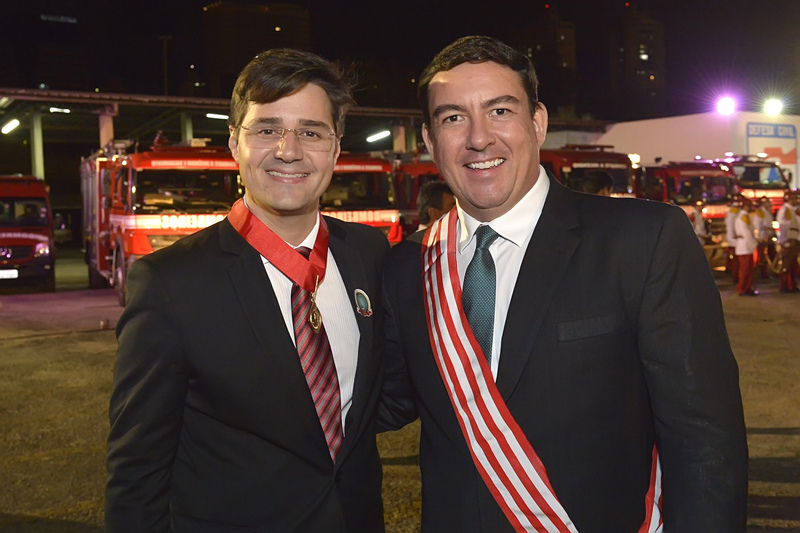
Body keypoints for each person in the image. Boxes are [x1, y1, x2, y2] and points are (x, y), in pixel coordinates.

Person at [379, 35, 747, 532]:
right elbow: (383, 403)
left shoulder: (642, 239)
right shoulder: (407, 266)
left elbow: (704, 436)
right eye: (453, 118)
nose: (479, 138)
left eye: (500, 111)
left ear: (538, 122)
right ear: (429, 140)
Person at [106, 48, 389, 532]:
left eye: (311, 132)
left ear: (336, 148)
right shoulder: (171, 282)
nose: (288, 150)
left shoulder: (369, 254)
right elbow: (137, 472)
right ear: (234, 143)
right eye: (267, 130)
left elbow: (385, 393)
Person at [734, 197, 759, 296]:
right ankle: (742, 289)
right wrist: (754, 244)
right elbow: (747, 232)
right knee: (745, 270)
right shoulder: (743, 217)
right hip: (745, 246)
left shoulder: (745, 216)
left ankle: (747, 288)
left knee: (748, 269)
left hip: (746, 246)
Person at [776, 191, 800, 293]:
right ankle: (786, 285)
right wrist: (785, 240)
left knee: (792, 264)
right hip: (789, 239)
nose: (797, 200)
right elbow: (783, 225)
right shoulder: (786, 210)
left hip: (793, 238)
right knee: (787, 264)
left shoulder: (791, 210)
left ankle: (791, 285)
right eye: (794, 198)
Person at [754, 196, 775, 278]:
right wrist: (767, 230)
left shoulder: (767, 212)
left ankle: (772, 272)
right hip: (763, 237)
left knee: (772, 254)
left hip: (769, 236)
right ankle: (763, 273)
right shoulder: (760, 212)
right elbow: (758, 226)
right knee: (762, 256)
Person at [725, 195, 743, 283]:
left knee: (735, 260)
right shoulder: (734, 212)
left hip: (734, 238)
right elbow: (731, 226)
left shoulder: (734, 212)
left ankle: (735, 276)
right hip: (735, 239)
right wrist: (733, 237)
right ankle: (735, 277)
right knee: (736, 261)